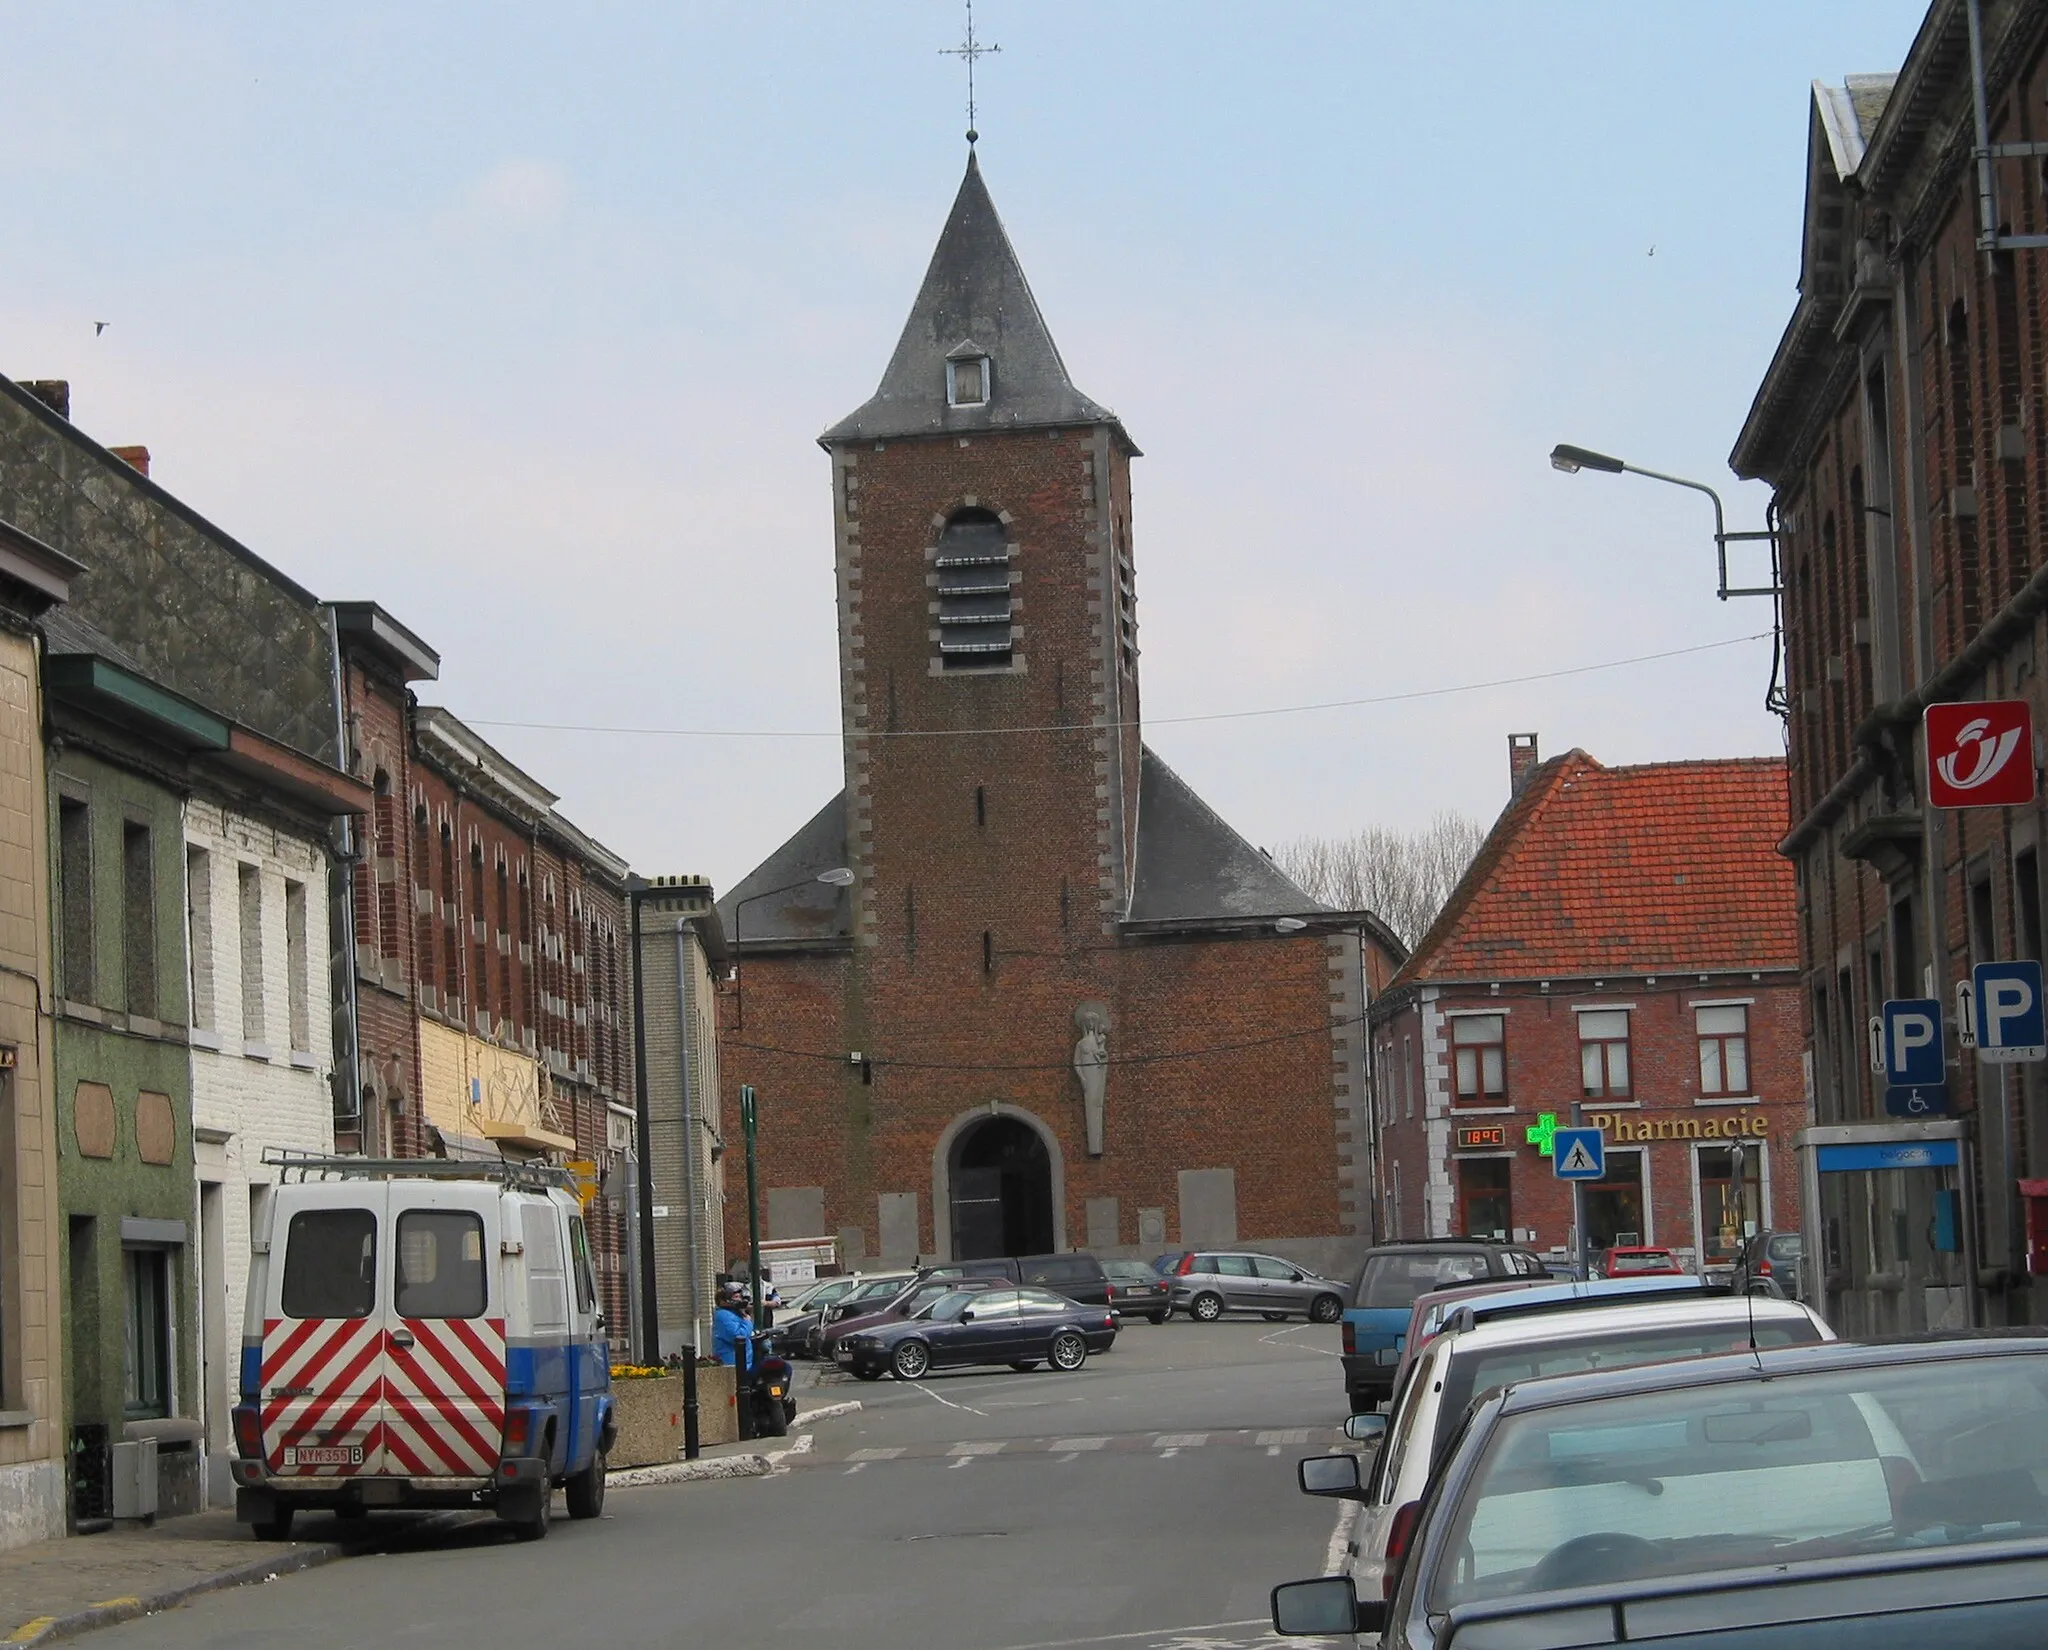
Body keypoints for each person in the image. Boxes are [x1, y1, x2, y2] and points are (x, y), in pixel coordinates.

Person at [712, 1283, 754, 1373]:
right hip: (733, 1364)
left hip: (744, 1362)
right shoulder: (723, 1315)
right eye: (736, 1297)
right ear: (724, 1299)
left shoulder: (735, 1313)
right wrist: (747, 1321)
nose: (739, 1300)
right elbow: (737, 1336)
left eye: (740, 1297)